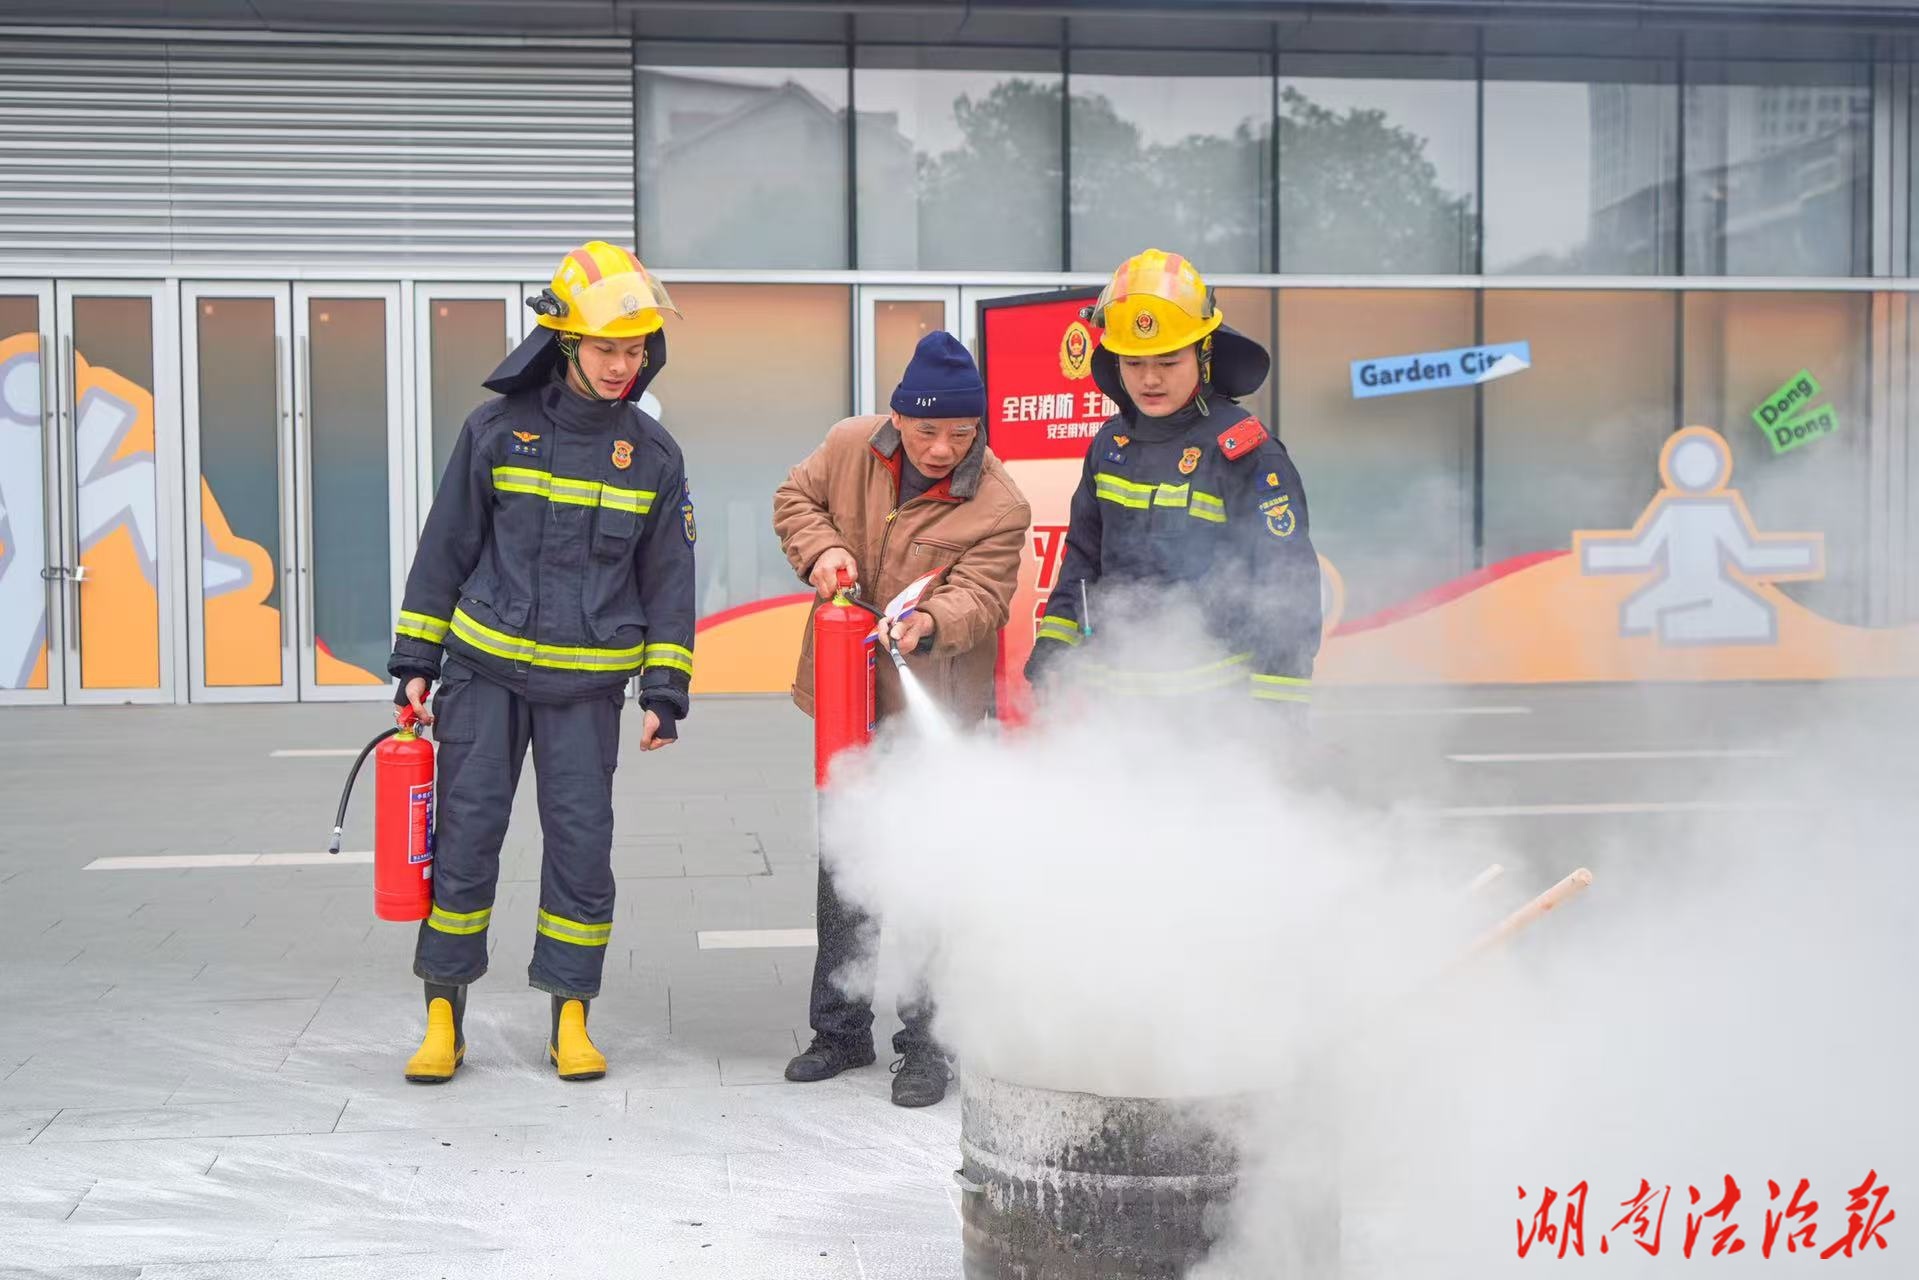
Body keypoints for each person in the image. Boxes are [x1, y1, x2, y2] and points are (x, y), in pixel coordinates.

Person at [386, 240, 696, 1084]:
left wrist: (665, 690)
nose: (623, 365)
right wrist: (416, 656)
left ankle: (570, 1019)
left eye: (635, 349)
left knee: (581, 853)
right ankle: (444, 1018)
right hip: (481, 676)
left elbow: (668, 580)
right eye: (607, 348)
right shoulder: (495, 430)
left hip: (584, 691)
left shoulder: (654, 458)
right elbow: (445, 546)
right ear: (565, 342)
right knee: (466, 846)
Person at [772, 331, 1031, 1107]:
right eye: (927, 432)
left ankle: (926, 1048)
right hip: (847, 705)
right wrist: (820, 554)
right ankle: (838, 1033)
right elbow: (795, 500)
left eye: (962, 431)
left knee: (924, 877)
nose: (945, 447)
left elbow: (983, 597)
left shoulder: (999, 502)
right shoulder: (849, 447)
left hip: (935, 712)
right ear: (897, 420)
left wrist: (929, 623)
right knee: (845, 870)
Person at [1024, 248, 1321, 717]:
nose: (1149, 379)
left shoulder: (1246, 452)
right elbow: (1083, 557)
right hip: (1117, 712)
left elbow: (1286, 588)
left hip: (1218, 716)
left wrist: (1278, 714)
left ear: (1203, 355)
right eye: (1134, 362)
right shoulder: (1110, 445)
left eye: (1167, 361)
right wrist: (1054, 643)